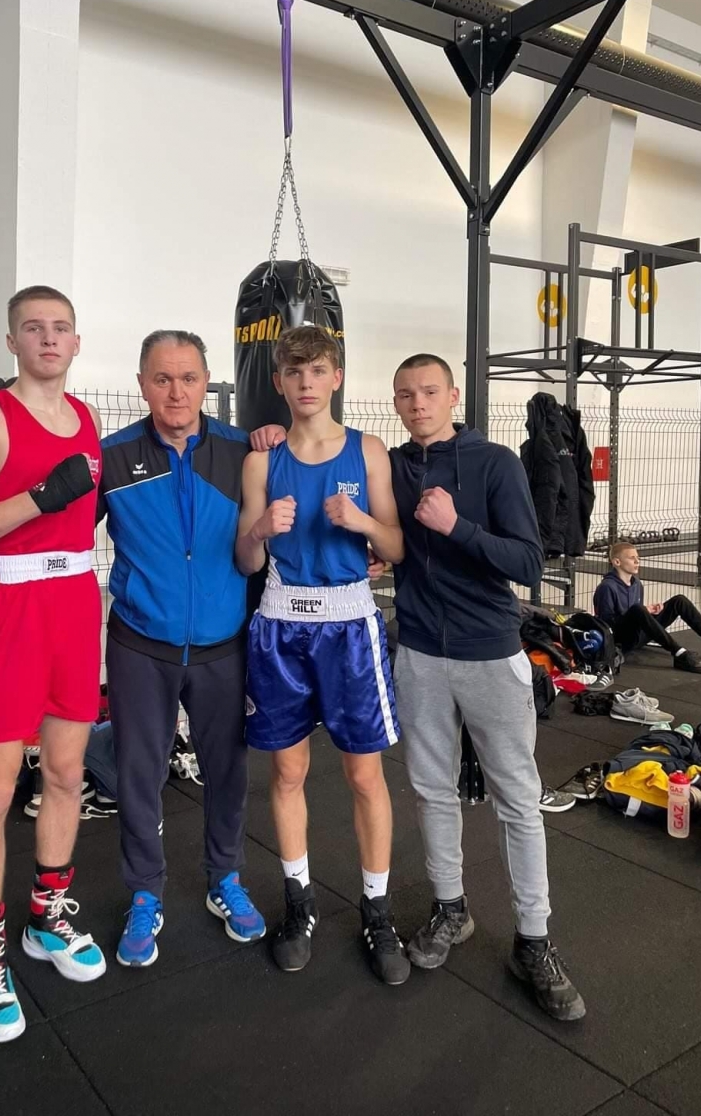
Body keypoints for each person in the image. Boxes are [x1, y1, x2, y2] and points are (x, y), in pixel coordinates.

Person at [0, 330, 267, 974]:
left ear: (207, 381)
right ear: (142, 385)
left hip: (222, 645)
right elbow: (56, 528)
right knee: (137, 773)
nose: (176, 392)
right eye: (162, 379)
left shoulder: (245, 451)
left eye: (188, 378)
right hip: (140, 643)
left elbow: (291, 510)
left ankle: (226, 878)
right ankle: (144, 893)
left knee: (228, 770)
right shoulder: (114, 455)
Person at [0, 285, 106, 1045]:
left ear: (76, 342)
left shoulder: (87, 419)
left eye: (60, 328)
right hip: (10, 612)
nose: (48, 338)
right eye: (33, 327)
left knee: (66, 774)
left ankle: (46, 915)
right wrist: (36, 499)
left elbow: (88, 511)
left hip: (75, 606)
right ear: (12, 341)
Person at [389, 354, 586, 1021]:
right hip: (419, 651)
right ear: (396, 402)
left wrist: (457, 527)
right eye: (405, 395)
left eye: (429, 392)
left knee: (518, 800)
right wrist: (270, 434)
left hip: (490, 653)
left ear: (452, 396)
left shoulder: (495, 463)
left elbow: (528, 561)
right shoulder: (393, 465)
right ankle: (451, 909)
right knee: (431, 788)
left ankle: (534, 940)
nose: (418, 404)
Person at [236, 325, 409, 985]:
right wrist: (259, 529)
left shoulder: (369, 451)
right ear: (279, 382)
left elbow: (395, 547)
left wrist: (362, 523)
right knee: (287, 773)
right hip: (281, 623)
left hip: (349, 626)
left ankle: (377, 910)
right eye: (294, 372)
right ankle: (299, 903)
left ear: (336, 377)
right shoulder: (261, 462)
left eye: (317, 371)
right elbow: (244, 559)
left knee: (365, 776)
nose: (306, 383)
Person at [593, 542, 701, 674]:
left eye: (638, 558)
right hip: (620, 640)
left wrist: (649, 612)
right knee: (638, 609)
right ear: (617, 562)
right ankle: (679, 654)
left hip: (637, 635)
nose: (637, 561)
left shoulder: (637, 584)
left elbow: (637, 615)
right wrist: (641, 611)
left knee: (679, 601)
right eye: (631, 558)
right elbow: (606, 625)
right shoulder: (606, 587)